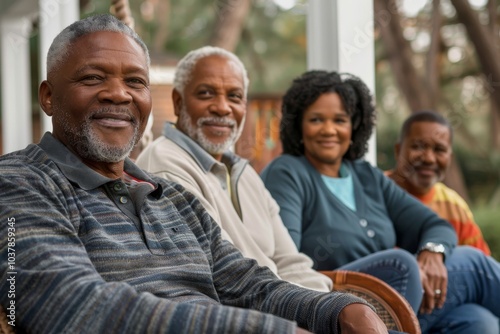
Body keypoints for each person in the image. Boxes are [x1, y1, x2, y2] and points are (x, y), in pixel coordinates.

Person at [0, 15, 391, 334]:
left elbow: (249, 284)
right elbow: (69, 304)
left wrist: (341, 310)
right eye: (93, 78)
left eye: (135, 81)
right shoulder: (20, 182)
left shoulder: (171, 197)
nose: (118, 94)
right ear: (48, 97)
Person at [260, 70, 500, 334]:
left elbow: (434, 224)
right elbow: (286, 262)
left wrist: (433, 252)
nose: (329, 130)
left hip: (401, 301)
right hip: (342, 307)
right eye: (316, 120)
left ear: (354, 126)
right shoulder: (287, 173)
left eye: (339, 120)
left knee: (477, 321)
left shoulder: (365, 175)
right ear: (299, 126)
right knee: (467, 264)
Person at [136, 46, 332, 292]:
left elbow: (291, 263)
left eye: (235, 96)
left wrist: (326, 306)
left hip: (288, 306)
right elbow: (226, 277)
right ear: (178, 102)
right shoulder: (165, 168)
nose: (222, 107)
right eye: (206, 93)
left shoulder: (243, 172)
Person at [386, 110, 491, 255]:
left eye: (439, 150)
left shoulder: (454, 206)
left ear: (450, 157)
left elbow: (479, 267)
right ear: (398, 150)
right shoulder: (373, 193)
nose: (429, 158)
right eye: (418, 147)